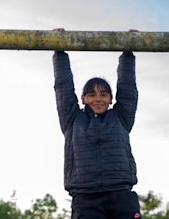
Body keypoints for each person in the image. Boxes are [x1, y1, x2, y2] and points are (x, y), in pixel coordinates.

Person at [52, 30, 141, 219]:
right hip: (86, 197)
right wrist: (59, 51)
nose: (98, 99)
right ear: (83, 99)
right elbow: (63, 86)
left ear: (111, 99)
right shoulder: (72, 120)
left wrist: (128, 52)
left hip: (121, 192)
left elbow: (128, 87)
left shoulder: (121, 117)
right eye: (92, 95)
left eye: (103, 94)